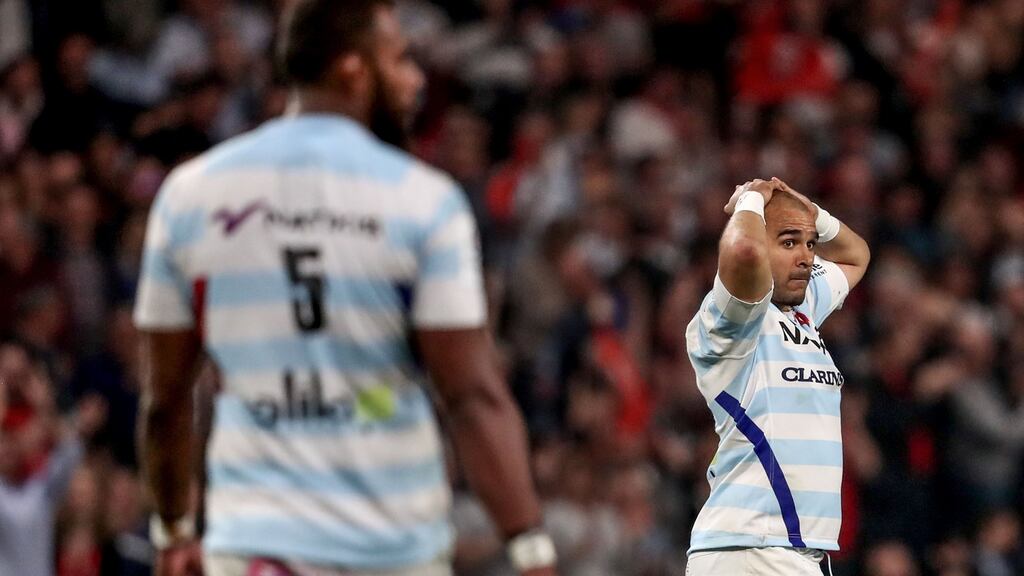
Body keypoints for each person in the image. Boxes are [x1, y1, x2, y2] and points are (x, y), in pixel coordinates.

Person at [132, 2, 558, 576]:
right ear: (353, 70)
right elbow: (472, 398)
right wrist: (529, 545)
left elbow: (165, 397)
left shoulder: (190, 196)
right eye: (400, 59)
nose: (416, 79)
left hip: (255, 548)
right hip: (392, 550)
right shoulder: (424, 201)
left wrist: (174, 528)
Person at [683, 178, 871, 575]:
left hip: (788, 550)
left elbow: (857, 256)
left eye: (810, 244)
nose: (805, 257)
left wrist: (809, 213)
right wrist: (749, 200)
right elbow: (744, 250)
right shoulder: (732, 321)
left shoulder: (802, 311)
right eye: (788, 243)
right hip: (751, 548)